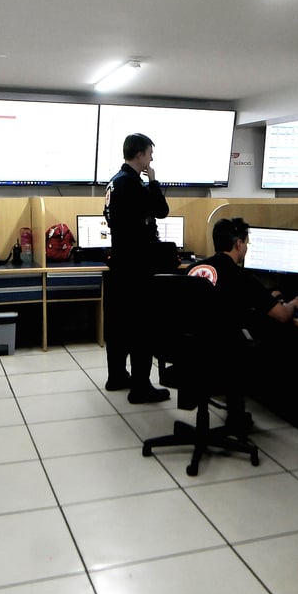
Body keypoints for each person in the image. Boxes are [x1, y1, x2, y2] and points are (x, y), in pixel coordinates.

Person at [187, 217, 298, 429]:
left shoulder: (195, 269)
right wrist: (293, 304)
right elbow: (281, 315)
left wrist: (265, 296)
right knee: (267, 343)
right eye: (247, 242)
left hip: (187, 352)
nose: (247, 247)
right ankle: (239, 415)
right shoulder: (240, 277)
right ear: (238, 244)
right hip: (220, 355)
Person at [103, 133, 171, 403]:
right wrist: (154, 181)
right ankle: (141, 387)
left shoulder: (114, 183)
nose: (152, 159)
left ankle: (117, 376)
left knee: (119, 325)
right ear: (140, 154)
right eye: (150, 153)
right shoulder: (132, 183)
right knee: (142, 327)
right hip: (137, 267)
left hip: (119, 263)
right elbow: (161, 209)